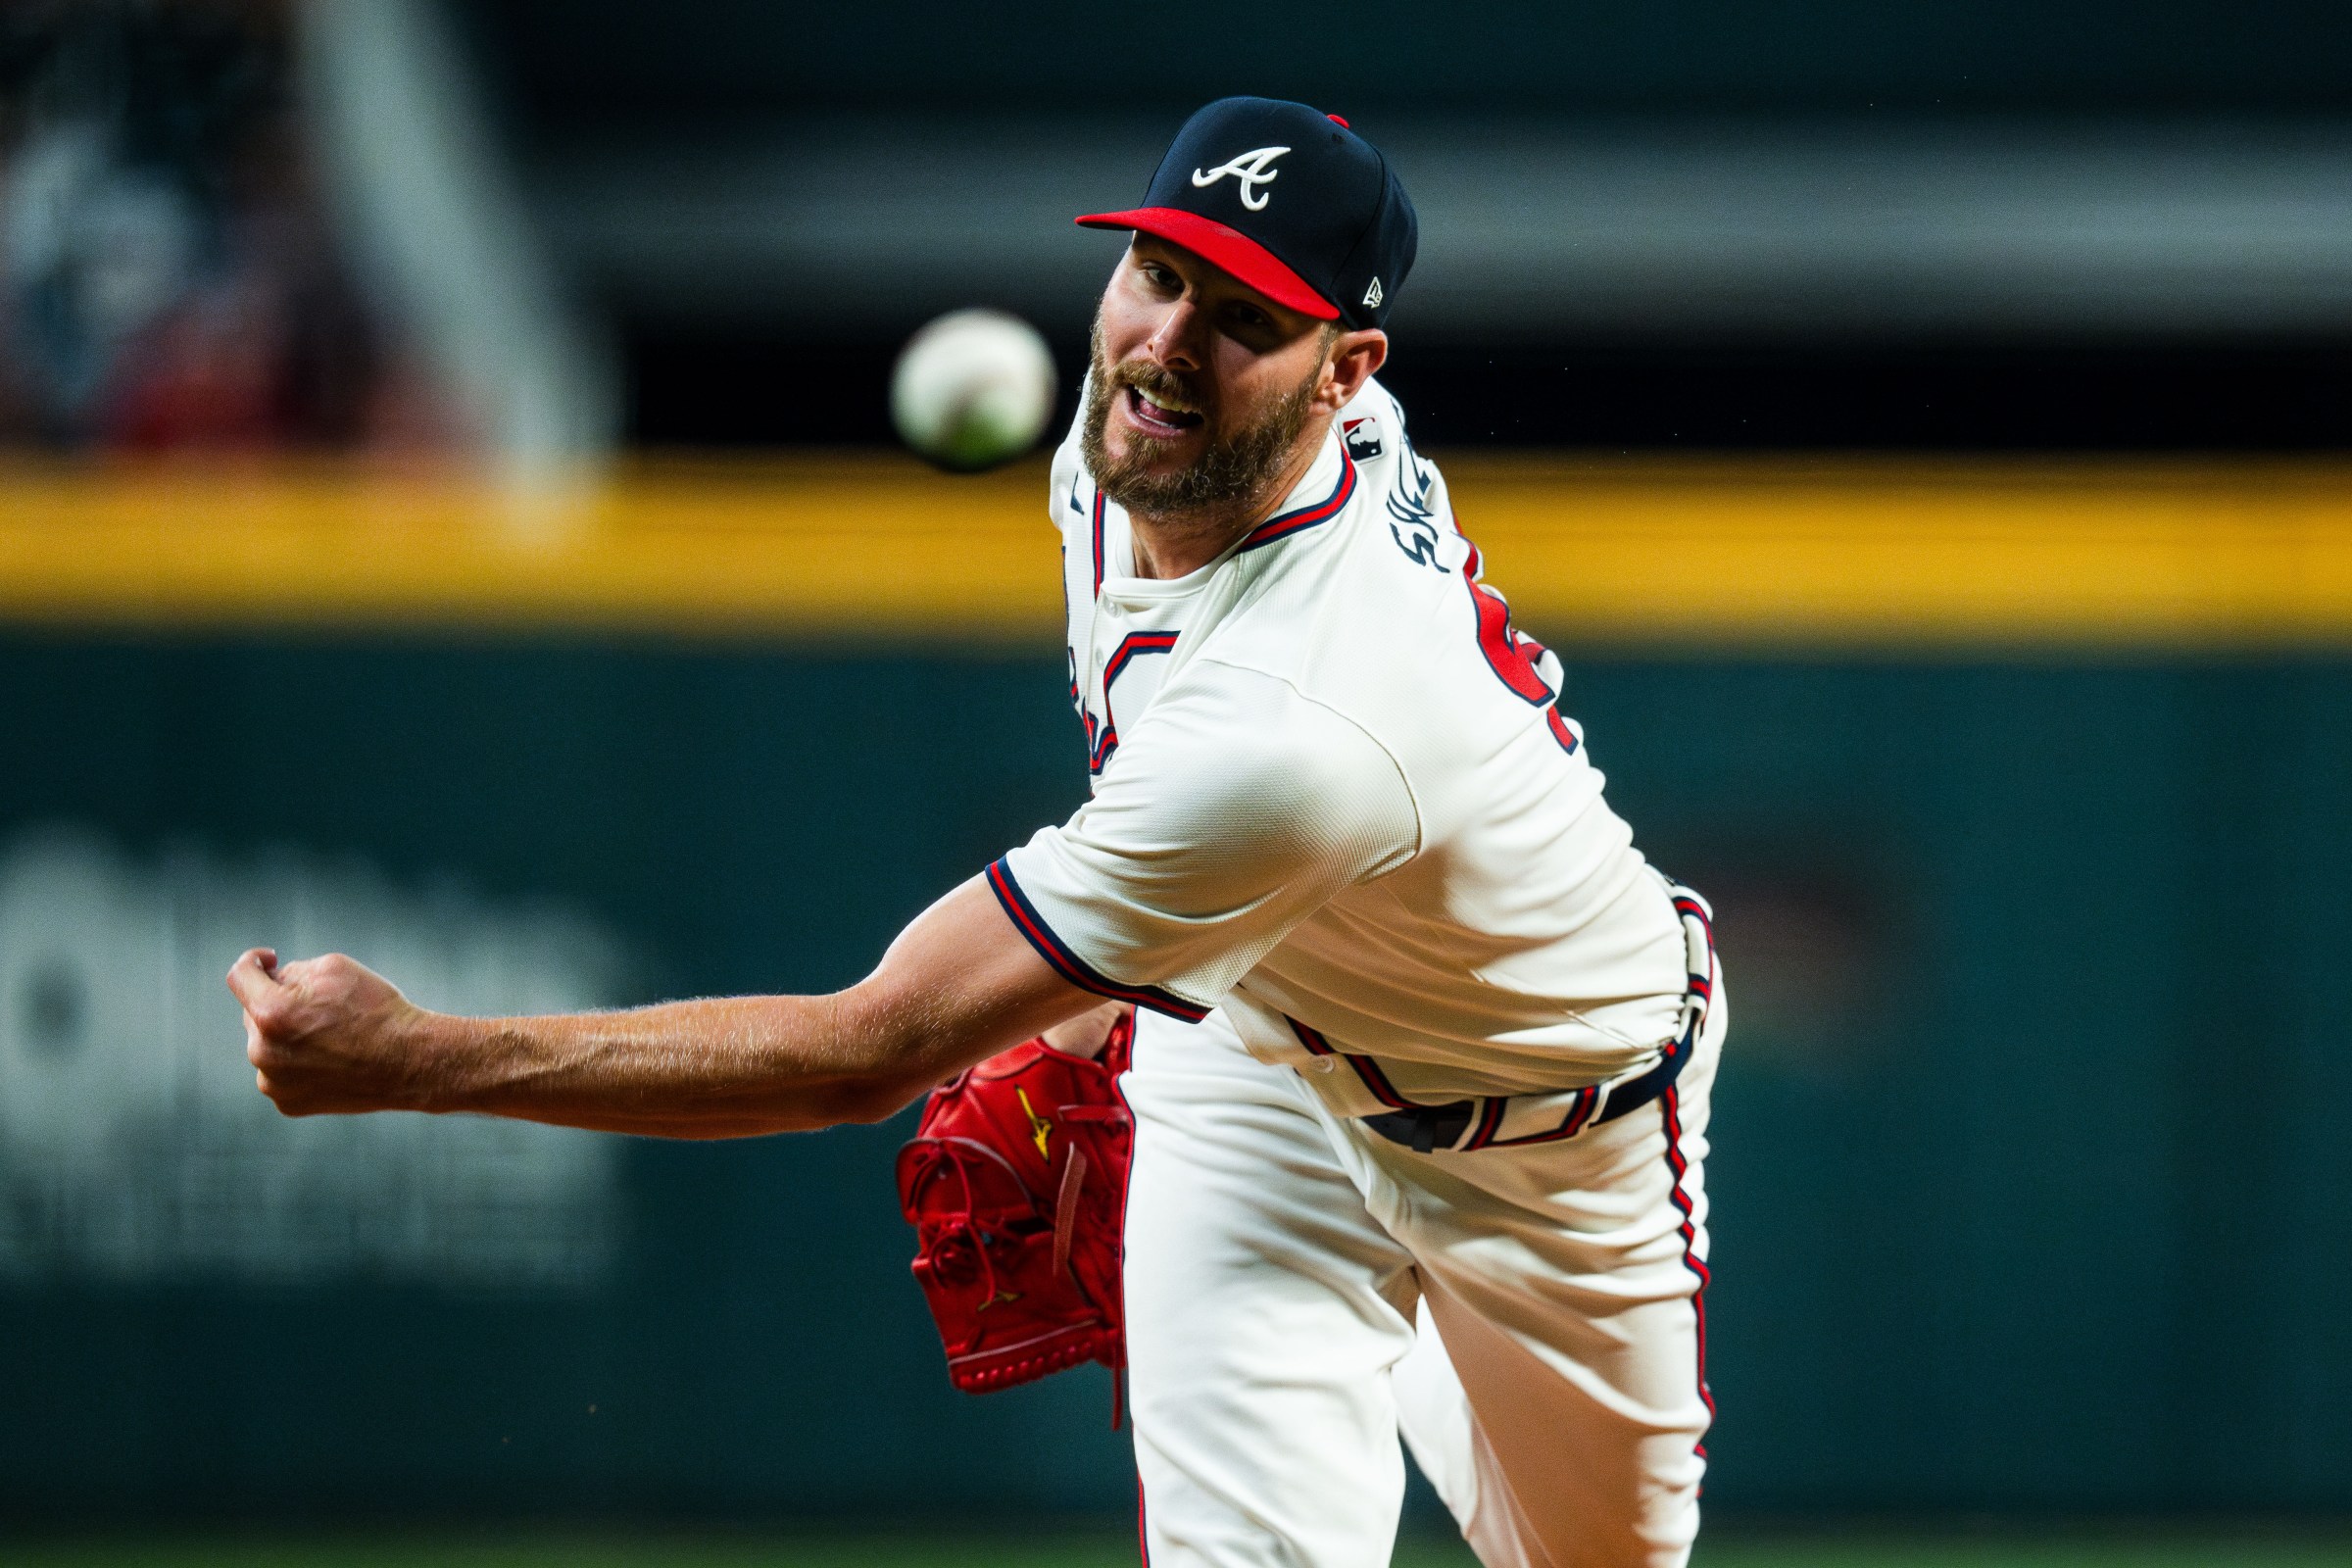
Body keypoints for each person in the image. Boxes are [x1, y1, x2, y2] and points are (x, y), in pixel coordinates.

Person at [229, 97, 1725, 1568]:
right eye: (1159, 270)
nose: (1168, 345)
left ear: (1348, 372)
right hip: (1258, 1058)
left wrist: (418, 1060)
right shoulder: (1121, 451)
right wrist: (1095, 1009)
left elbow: (864, 1054)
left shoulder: (1299, 726)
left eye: (1247, 317)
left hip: (1552, 1130)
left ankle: (1405, 1324)